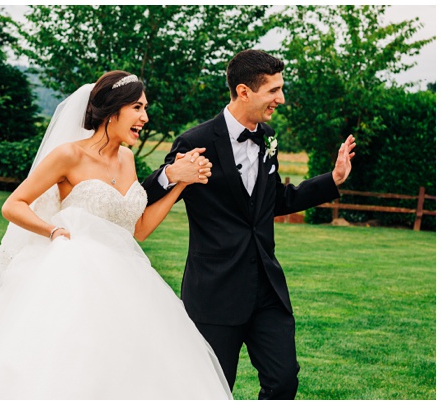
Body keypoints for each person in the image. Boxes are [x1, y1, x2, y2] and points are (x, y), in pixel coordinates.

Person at [0, 71, 231, 400]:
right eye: (138, 108)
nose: (145, 118)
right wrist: (53, 229)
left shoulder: (128, 160)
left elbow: (140, 229)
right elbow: (14, 204)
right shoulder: (69, 155)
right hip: (72, 272)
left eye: (144, 109)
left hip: (126, 278)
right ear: (112, 110)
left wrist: (180, 184)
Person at [141, 50, 356, 400]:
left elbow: (277, 201)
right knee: (212, 389)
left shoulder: (267, 137)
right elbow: (146, 194)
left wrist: (332, 179)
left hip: (266, 290)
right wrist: (170, 173)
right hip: (214, 293)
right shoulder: (195, 141)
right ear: (244, 91)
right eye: (273, 90)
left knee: (284, 381)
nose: (281, 99)